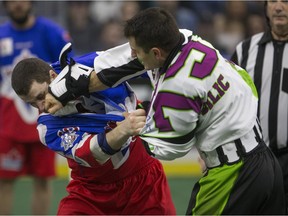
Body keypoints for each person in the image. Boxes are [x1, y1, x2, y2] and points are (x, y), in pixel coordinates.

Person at [45, 7, 286, 215]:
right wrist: (74, 84)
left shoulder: (176, 88)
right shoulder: (187, 39)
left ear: (156, 53)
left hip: (231, 172)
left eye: (137, 51)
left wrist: (118, 128)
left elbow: (169, 148)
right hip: (265, 160)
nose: (134, 56)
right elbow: (123, 63)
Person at [10, 49, 176, 215]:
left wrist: (161, 94)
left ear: (53, 76)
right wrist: (124, 128)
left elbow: (146, 58)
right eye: (32, 104)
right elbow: (93, 152)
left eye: (41, 96)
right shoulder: (47, 128)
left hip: (143, 181)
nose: (41, 107)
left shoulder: (89, 65)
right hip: (91, 194)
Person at [0, 1, 72, 214]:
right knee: (4, 181)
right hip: (7, 125)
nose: (18, 5)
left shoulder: (53, 33)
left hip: (47, 120)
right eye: (12, 1)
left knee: (43, 181)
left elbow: (68, 71)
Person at [231, 0, 288, 211]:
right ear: (265, 8)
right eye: (273, 1)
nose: (279, 7)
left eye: (285, 1)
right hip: (255, 159)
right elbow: (227, 103)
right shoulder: (245, 50)